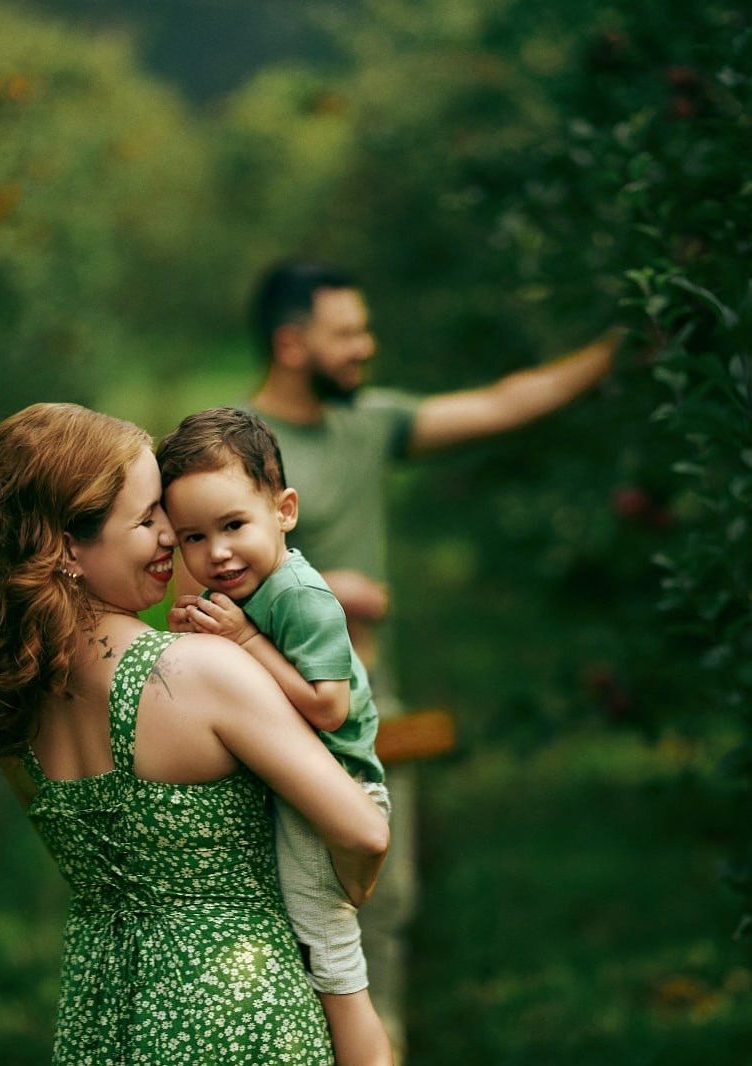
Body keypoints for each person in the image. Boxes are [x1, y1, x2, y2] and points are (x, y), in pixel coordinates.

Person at [246, 260, 620, 1061]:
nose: (364, 347)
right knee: (283, 919)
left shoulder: (368, 421)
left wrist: (618, 348)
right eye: (345, 333)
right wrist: (312, 584)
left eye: (364, 329)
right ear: (290, 342)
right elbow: (180, 582)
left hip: (367, 711)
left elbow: (501, 402)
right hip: (266, 714)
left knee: (382, 908)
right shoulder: (234, 449)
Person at [0, 401, 389, 1065]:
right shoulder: (198, 672)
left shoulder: (12, 702)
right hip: (240, 1014)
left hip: (102, 1019)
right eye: (149, 518)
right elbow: (362, 831)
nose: (170, 537)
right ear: (68, 546)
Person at [157, 407, 393, 1066]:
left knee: (334, 964)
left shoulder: (297, 597)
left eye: (233, 525)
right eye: (192, 539)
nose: (217, 553)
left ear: (284, 510)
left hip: (337, 792)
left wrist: (244, 640)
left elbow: (326, 704)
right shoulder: (252, 587)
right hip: (305, 793)